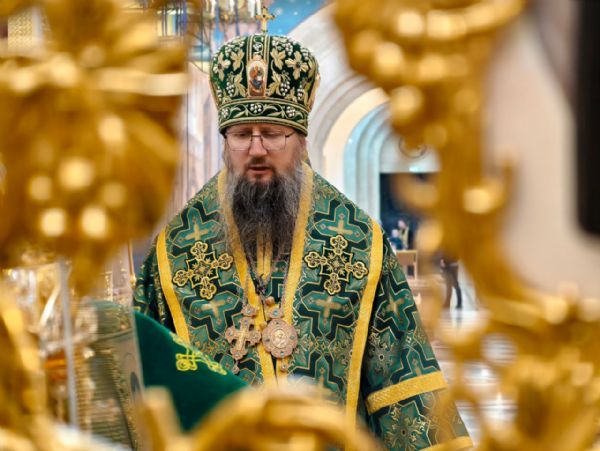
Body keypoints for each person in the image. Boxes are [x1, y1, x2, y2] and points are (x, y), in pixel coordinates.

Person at [134, 22, 471, 450]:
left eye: (273, 134)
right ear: (225, 141)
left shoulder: (357, 241)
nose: (257, 150)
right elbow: (141, 381)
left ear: (302, 140)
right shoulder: (177, 248)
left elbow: (404, 382)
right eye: (241, 134)